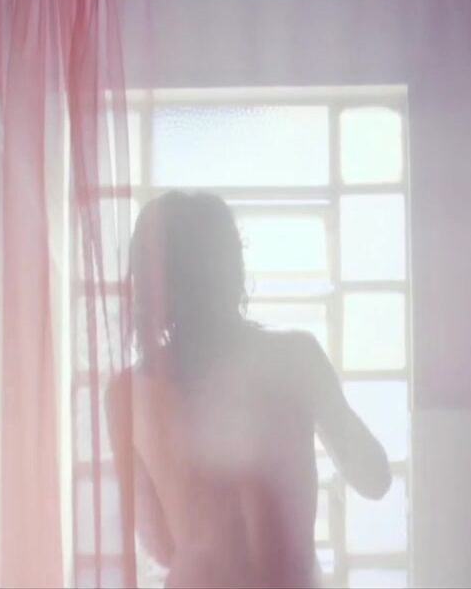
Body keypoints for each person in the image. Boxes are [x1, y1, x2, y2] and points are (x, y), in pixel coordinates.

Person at [106, 191, 392, 588]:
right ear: (231, 270)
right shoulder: (296, 357)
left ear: (150, 284)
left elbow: (160, 545)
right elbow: (374, 478)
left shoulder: (125, 395)